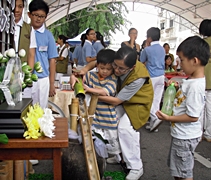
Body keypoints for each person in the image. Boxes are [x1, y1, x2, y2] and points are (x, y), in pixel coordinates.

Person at [71, 46, 153, 180]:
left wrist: (91, 94)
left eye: (121, 69)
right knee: (112, 124)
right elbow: (99, 61)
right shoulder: (118, 59)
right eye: (115, 65)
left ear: (131, 68)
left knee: (125, 129)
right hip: (118, 97)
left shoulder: (138, 77)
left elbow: (116, 101)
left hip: (136, 102)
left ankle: (136, 166)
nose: (115, 70)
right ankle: (118, 155)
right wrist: (83, 71)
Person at [156, 36, 210, 180]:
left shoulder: (195, 86)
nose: (179, 63)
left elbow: (193, 116)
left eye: (182, 60)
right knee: (178, 170)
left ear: (195, 61)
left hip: (185, 137)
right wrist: (177, 87)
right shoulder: (191, 80)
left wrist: (169, 118)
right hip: (182, 134)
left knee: (184, 173)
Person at [83, 49, 121, 157]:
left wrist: (89, 90)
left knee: (112, 139)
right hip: (95, 116)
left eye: (108, 69)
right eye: (102, 68)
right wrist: (75, 79)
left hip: (108, 117)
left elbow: (105, 91)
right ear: (97, 65)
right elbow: (79, 76)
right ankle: (99, 158)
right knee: (96, 138)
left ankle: (119, 159)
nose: (104, 71)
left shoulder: (113, 78)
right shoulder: (91, 76)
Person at [28, 0, 58, 108]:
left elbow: (52, 60)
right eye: (36, 15)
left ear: (45, 17)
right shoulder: (25, 32)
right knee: (25, 111)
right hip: (26, 79)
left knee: (41, 111)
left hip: (42, 80)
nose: (38, 18)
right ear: (29, 14)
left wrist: (51, 84)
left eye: (42, 16)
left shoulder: (48, 35)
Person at [140, 27, 165, 132]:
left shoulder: (147, 49)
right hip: (161, 76)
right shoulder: (162, 48)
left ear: (149, 37)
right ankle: (153, 125)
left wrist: (146, 47)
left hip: (152, 77)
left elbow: (141, 61)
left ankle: (155, 119)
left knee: (147, 100)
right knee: (156, 101)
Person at [199, 19, 211, 142]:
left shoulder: (202, 44)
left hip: (202, 80)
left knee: (200, 107)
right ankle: (209, 134)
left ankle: (199, 132)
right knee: (210, 109)